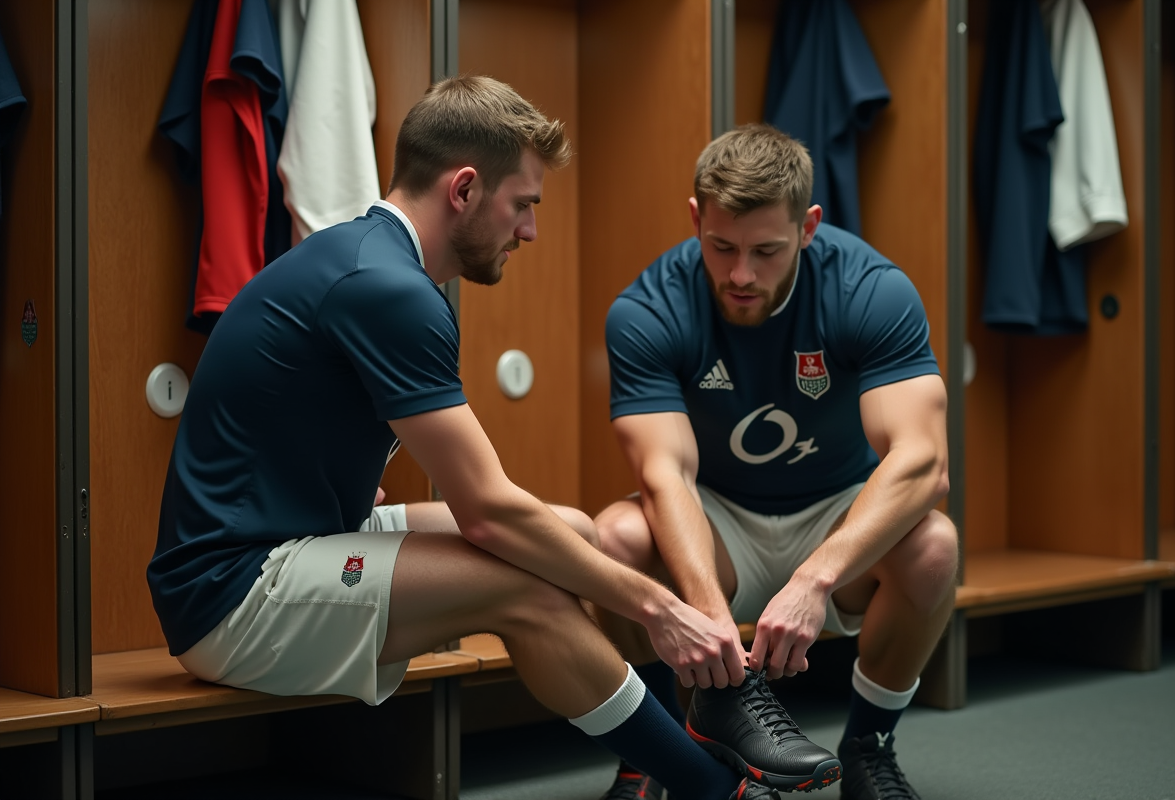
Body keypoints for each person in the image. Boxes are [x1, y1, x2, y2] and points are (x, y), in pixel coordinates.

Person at [145, 76, 813, 800]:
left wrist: (326, 475)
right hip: (233, 591)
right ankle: (710, 787)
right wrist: (662, 610)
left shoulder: (375, 264)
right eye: (522, 204)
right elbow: (487, 513)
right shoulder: (387, 288)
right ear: (463, 188)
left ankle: (676, 743)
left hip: (308, 530)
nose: (529, 231)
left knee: (574, 535)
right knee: (523, 584)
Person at [592, 123, 957, 800]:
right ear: (696, 216)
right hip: (718, 515)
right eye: (722, 246)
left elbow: (923, 463)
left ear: (809, 227)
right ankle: (657, 746)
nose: (740, 274)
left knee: (934, 546)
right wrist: (711, 630)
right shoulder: (649, 308)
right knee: (613, 538)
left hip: (832, 510)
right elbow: (664, 472)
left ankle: (868, 748)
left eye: (767, 251)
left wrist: (816, 579)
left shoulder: (870, 290)